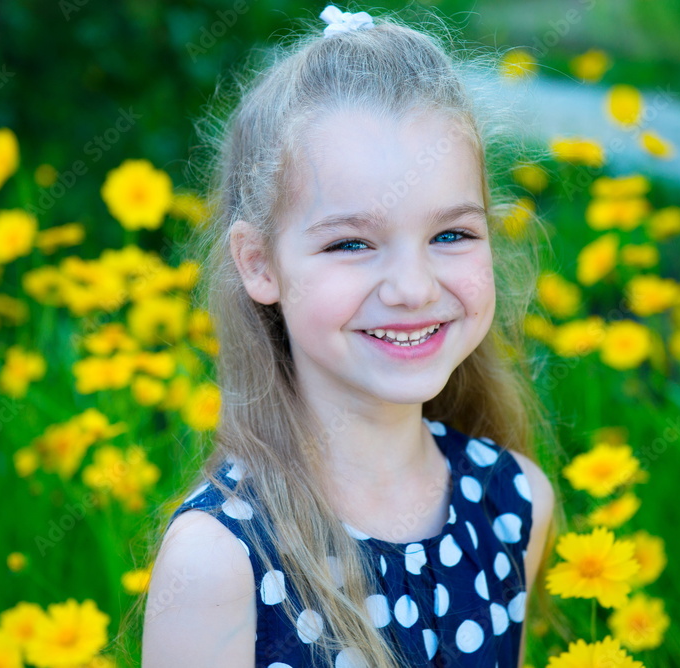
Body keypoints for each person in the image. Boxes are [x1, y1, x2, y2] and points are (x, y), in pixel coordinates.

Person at [141, 5, 558, 667]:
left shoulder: (514, 503)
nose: (413, 287)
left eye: (450, 235)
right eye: (352, 243)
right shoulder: (220, 561)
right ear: (259, 263)